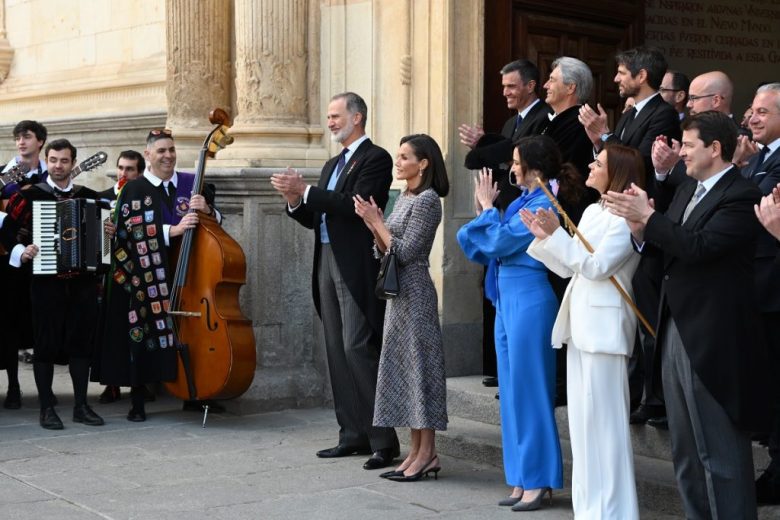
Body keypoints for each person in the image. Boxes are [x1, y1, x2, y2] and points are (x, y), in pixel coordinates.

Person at [603, 111, 770, 519]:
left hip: (714, 337)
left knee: (720, 455)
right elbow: (667, 247)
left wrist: (649, 218)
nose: (682, 154)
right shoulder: (686, 190)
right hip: (675, 326)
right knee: (687, 452)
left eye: (690, 146)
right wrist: (640, 229)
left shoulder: (741, 195)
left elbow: (699, 247)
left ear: (715, 149)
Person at [270, 92, 399, 470]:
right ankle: (352, 434)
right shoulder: (330, 165)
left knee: (357, 345)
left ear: (357, 117)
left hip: (355, 264)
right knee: (335, 349)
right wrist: (295, 201)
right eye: (327, 117)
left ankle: (383, 440)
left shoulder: (376, 158)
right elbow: (316, 216)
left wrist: (306, 190)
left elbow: (354, 206)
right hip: (325, 258)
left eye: (335, 116)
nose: (329, 122)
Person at [457, 135, 582, 512]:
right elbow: (475, 243)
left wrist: (486, 211)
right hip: (505, 297)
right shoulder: (523, 201)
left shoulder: (546, 201)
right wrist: (488, 218)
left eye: (515, 161)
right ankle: (521, 477)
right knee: (511, 393)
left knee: (531, 391)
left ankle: (540, 480)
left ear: (534, 167)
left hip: (529, 296)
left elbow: (495, 243)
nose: (510, 168)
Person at [524, 144, 643, 519]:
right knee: (583, 429)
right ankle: (589, 511)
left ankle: (617, 513)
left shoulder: (628, 218)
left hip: (606, 332)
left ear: (619, 172)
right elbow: (568, 269)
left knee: (607, 430)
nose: (590, 165)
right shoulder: (593, 210)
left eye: (599, 163)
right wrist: (547, 236)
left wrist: (559, 237)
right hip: (579, 328)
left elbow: (596, 266)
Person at [97, 130, 218, 421]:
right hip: (148, 273)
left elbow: (217, 225)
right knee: (142, 331)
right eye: (161, 150)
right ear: (148, 155)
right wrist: (171, 230)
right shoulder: (134, 189)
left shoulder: (193, 185)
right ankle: (138, 400)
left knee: (191, 332)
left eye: (172, 150)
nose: (168, 155)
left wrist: (208, 210)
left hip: (190, 271)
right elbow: (128, 231)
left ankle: (195, 391)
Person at [353, 134, 449, 482]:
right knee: (406, 372)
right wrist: (373, 224)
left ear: (423, 163)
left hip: (417, 293)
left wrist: (377, 223)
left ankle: (428, 454)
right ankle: (416, 453)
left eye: (405, 156)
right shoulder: (406, 196)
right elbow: (386, 249)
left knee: (420, 370)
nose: (399, 161)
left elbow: (407, 253)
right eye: (398, 155)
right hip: (397, 295)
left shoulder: (427, 200)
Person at [458, 59, 552, 389]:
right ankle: (497, 367)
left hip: (524, 241)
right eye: (503, 87)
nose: (506, 93)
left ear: (531, 85)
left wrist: (488, 148)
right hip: (505, 210)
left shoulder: (544, 118)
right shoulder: (512, 122)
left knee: (527, 378)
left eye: (512, 86)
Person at [0, 139, 105, 430]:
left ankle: (81, 406)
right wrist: (23, 251)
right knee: (45, 345)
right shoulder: (30, 196)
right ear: (48, 161)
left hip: (82, 283)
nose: (59, 166)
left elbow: (103, 240)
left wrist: (106, 233)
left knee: (81, 345)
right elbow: (8, 230)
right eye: (54, 160)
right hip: (46, 283)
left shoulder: (90, 197)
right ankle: (47, 409)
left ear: (73, 163)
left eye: (65, 161)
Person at [743, 83, 780, 505]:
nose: (751, 118)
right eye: (751, 111)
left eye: (762, 112)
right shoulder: (757, 158)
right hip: (757, 285)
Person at [578, 46, 681, 196]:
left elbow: (638, 163)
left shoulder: (664, 114)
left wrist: (605, 134)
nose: (616, 79)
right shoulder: (630, 113)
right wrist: (598, 142)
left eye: (621, 73)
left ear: (641, 76)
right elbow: (614, 158)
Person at [0, 120, 49, 407]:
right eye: (17, 137)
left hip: (42, 254)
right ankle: (14, 386)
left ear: (40, 141)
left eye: (27, 137)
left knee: (41, 319)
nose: (21, 142)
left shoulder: (49, 172)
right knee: (9, 321)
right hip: (9, 258)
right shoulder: (6, 173)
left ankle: (45, 386)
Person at [94, 150, 146, 406]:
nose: (124, 174)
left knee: (138, 329)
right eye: (121, 168)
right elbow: (96, 240)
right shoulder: (103, 198)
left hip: (137, 271)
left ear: (139, 173)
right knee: (111, 329)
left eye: (130, 169)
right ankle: (112, 383)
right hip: (111, 273)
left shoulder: (144, 197)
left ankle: (141, 381)